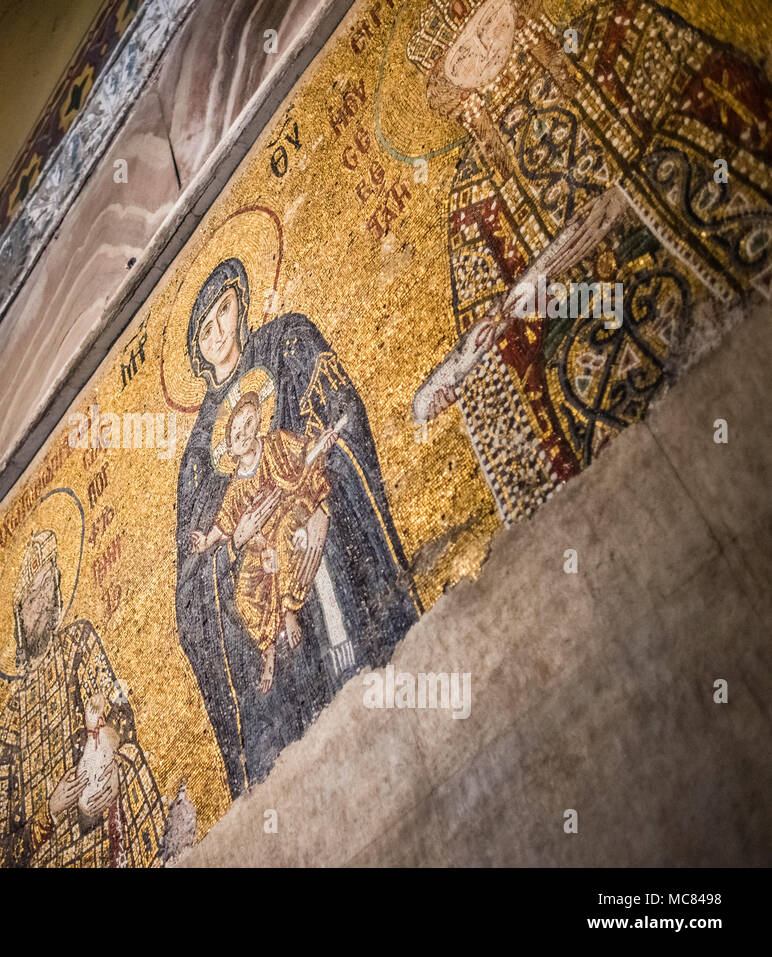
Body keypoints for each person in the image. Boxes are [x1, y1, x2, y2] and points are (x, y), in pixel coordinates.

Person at [408, 0, 772, 522]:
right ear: (448, 80)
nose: (486, 49)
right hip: (583, 347)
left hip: (677, 249)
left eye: (490, 23)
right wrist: (491, 342)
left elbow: (713, 91)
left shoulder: (608, 44)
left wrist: (631, 195)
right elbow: (490, 318)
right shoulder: (474, 191)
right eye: (463, 55)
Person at [175, 257, 420, 796]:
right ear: (196, 349)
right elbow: (189, 592)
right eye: (204, 328)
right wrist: (234, 542)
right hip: (260, 585)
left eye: (224, 310)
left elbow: (341, 418)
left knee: (324, 570)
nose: (218, 331)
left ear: (241, 305)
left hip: (320, 541)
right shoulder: (197, 458)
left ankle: (364, 694)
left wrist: (323, 511)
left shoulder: (287, 344)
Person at [0, 530, 165, 867]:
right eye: (34, 597)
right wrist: (47, 814)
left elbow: (121, 717)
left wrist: (115, 769)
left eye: (50, 590)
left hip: (100, 824)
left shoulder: (79, 644)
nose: (44, 605)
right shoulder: (8, 727)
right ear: (19, 614)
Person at [190, 387, 342, 694]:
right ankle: (268, 649)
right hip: (262, 541)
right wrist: (207, 541)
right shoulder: (235, 486)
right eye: (235, 432)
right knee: (245, 593)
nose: (243, 433)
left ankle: (289, 610)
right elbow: (226, 521)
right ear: (229, 446)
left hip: (295, 504)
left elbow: (304, 450)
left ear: (259, 420)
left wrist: (321, 444)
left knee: (285, 533)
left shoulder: (276, 442)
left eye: (248, 424)